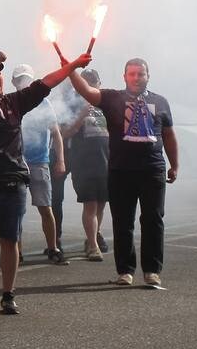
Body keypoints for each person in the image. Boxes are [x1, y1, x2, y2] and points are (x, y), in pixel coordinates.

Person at [0, 51, 90, 315]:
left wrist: (72, 65)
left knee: (9, 239)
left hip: (14, 182)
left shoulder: (14, 102)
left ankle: (8, 294)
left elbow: (45, 83)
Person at [68, 58, 178, 288]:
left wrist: (174, 164)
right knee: (122, 222)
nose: (136, 78)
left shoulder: (160, 102)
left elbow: (168, 134)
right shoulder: (112, 98)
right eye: (132, 74)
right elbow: (86, 91)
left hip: (152, 169)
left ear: (148, 76)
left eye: (141, 74)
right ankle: (125, 271)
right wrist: (71, 70)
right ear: (124, 76)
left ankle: (151, 272)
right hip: (121, 171)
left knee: (153, 221)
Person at [10, 65, 68, 265]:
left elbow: (56, 133)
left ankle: (53, 248)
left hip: (39, 161)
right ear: (14, 82)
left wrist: (60, 160)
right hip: (16, 163)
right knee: (16, 210)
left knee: (45, 207)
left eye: (26, 79)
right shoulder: (11, 101)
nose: (22, 83)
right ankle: (17, 252)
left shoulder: (43, 103)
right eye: (19, 80)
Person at [63, 69, 110, 260]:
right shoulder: (73, 106)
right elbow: (64, 133)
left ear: (99, 83)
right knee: (90, 204)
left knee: (100, 205)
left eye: (93, 81)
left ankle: (93, 237)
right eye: (86, 82)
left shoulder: (106, 104)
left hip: (106, 162)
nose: (90, 85)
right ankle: (92, 246)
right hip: (84, 163)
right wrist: (81, 115)